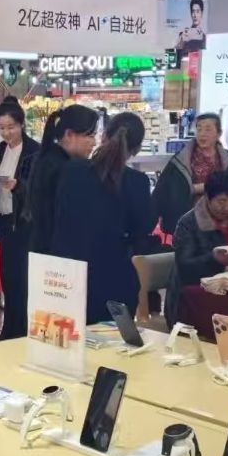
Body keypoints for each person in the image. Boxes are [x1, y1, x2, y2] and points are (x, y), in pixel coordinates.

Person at [51, 112, 155, 324]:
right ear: (136, 148)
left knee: (72, 337)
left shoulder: (72, 171)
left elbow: (59, 218)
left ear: (104, 135)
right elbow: (142, 229)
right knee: (115, 339)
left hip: (71, 276)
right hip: (116, 276)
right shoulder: (137, 182)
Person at [0, 97, 40, 340]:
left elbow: (38, 190)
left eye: (11, 127)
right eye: (2, 128)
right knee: (8, 279)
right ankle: (10, 329)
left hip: (25, 223)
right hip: (5, 220)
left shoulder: (34, 152)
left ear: (21, 125)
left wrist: (18, 186)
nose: (7, 133)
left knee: (23, 280)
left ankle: (23, 330)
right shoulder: (0, 150)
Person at [166, 171, 228, 326]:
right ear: (208, 197)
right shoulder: (188, 223)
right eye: (221, 201)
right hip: (191, 302)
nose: (227, 208)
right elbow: (185, 267)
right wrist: (214, 258)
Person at [26, 104, 98, 255]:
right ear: (69, 134)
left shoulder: (47, 159)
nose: (94, 142)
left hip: (43, 250)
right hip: (60, 255)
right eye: (90, 135)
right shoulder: (67, 169)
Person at [152, 113, 228, 235]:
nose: (202, 134)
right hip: (187, 223)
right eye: (199, 129)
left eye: (208, 129)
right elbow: (163, 190)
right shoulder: (181, 160)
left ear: (219, 134)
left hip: (219, 224)